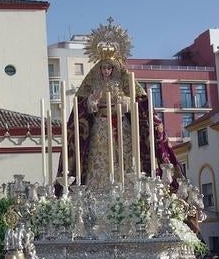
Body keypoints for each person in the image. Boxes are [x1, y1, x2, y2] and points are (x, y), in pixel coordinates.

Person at [56, 19, 183, 194]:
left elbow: (139, 103)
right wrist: (92, 102)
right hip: (100, 128)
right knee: (101, 160)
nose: (106, 71)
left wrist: (126, 102)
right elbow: (83, 108)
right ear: (99, 68)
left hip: (123, 127)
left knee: (126, 159)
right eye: (103, 68)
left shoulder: (125, 81)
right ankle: (97, 192)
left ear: (114, 68)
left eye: (109, 67)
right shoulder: (92, 83)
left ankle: (129, 192)